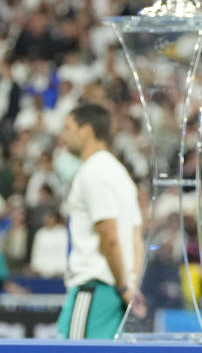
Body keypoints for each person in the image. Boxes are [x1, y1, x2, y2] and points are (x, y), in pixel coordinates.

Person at [56, 103, 145, 339]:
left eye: (68, 128)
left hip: (94, 288)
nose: (63, 135)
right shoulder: (120, 173)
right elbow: (136, 237)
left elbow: (110, 236)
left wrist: (124, 285)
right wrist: (130, 283)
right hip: (113, 290)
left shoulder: (93, 172)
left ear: (86, 130)